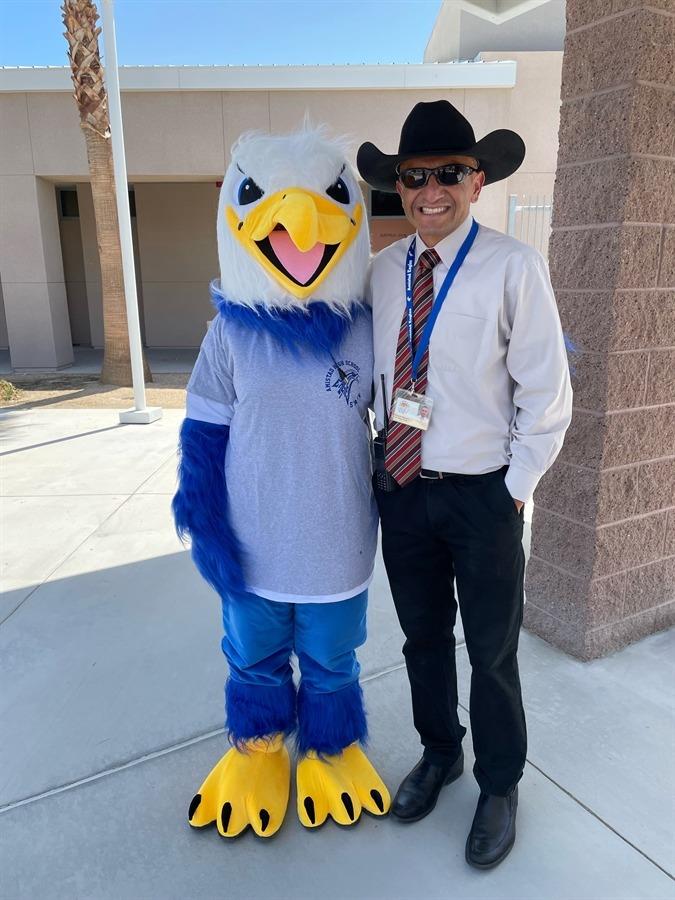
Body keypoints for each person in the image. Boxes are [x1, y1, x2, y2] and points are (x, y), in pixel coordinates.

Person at [357, 100, 572, 868]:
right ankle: (439, 752)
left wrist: (513, 489)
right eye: (414, 178)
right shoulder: (382, 272)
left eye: (448, 173)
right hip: (403, 488)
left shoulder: (513, 266)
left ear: (476, 181)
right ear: (401, 188)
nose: (430, 190)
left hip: (482, 492)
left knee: (489, 652)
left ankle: (499, 784)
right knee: (420, 640)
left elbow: (544, 390)